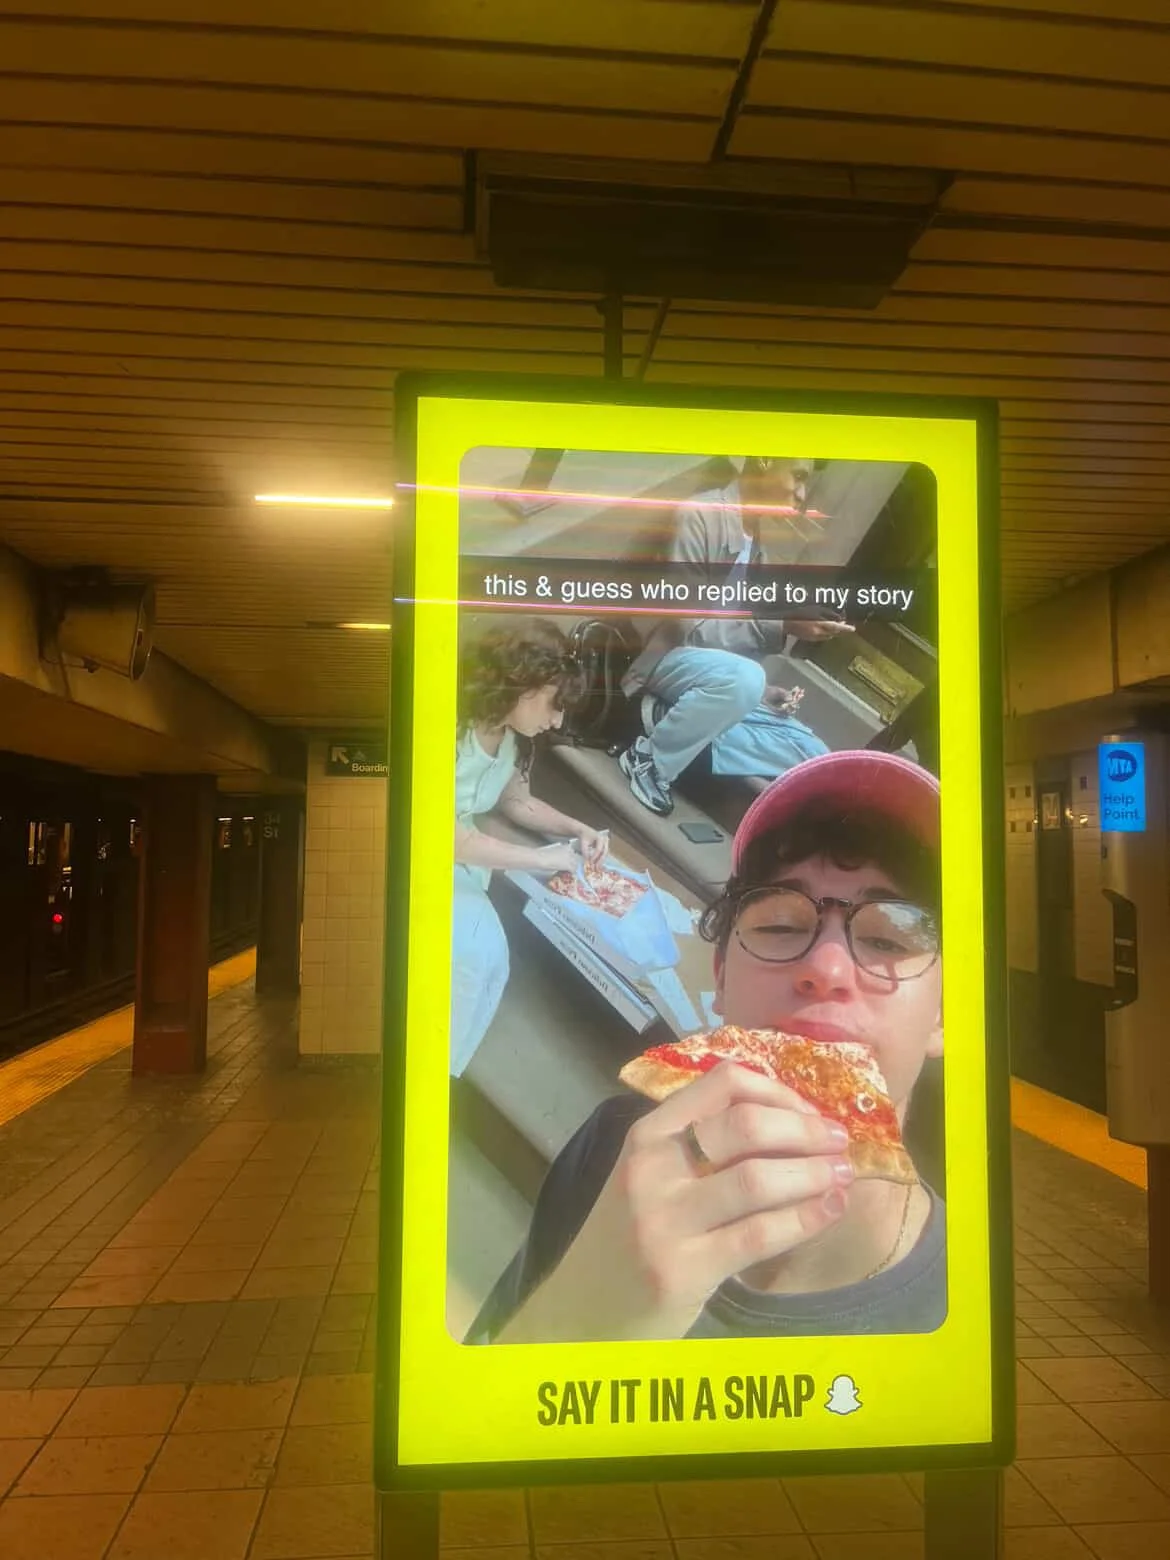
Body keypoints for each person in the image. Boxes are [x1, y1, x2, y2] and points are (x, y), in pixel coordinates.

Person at [468, 749, 945, 1341]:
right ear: (720, 977)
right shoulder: (616, 1149)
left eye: (890, 940)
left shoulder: (959, 1316)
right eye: (780, 925)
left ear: (947, 1013)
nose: (826, 966)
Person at [619, 456, 853, 814]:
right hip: (663, 663)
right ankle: (649, 758)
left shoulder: (754, 543)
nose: (802, 494)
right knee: (746, 677)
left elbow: (729, 655)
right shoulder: (699, 515)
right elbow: (690, 627)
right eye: (799, 477)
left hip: (708, 678)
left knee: (813, 752)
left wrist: (761, 695)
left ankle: (684, 727)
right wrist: (784, 626)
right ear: (765, 461)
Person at [452, 627, 607, 1078]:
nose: (557, 721)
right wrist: (544, 860)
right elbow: (439, 833)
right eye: (554, 705)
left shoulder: (512, 740)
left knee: (492, 962)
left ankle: (444, 1076)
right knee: (475, 958)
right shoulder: (447, 727)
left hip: (463, 865)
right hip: (414, 861)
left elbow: (516, 801)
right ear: (523, 684)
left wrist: (577, 829)